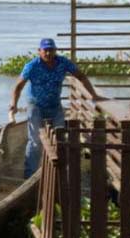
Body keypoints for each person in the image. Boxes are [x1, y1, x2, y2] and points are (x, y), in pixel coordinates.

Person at [10, 38, 106, 178]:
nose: (48, 53)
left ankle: (59, 171)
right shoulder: (32, 66)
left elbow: (81, 76)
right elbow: (18, 86)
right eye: (45, 50)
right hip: (35, 105)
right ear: (40, 51)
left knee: (60, 139)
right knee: (35, 141)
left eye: (51, 50)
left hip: (54, 105)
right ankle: (29, 175)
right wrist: (14, 104)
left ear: (55, 50)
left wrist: (94, 95)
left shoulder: (63, 63)